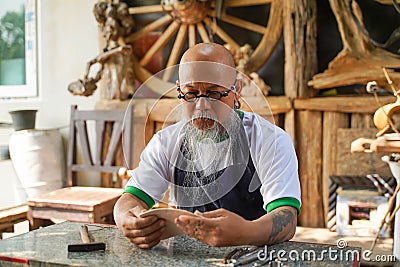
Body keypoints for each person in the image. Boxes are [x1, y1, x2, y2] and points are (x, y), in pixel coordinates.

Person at [113, 43, 301, 249]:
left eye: (214, 93)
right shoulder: (166, 142)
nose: (202, 105)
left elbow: (287, 218)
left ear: (236, 90)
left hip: (254, 255)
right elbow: (131, 198)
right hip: (187, 256)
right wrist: (128, 219)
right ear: (179, 90)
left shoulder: (269, 140)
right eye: (191, 94)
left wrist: (244, 232)